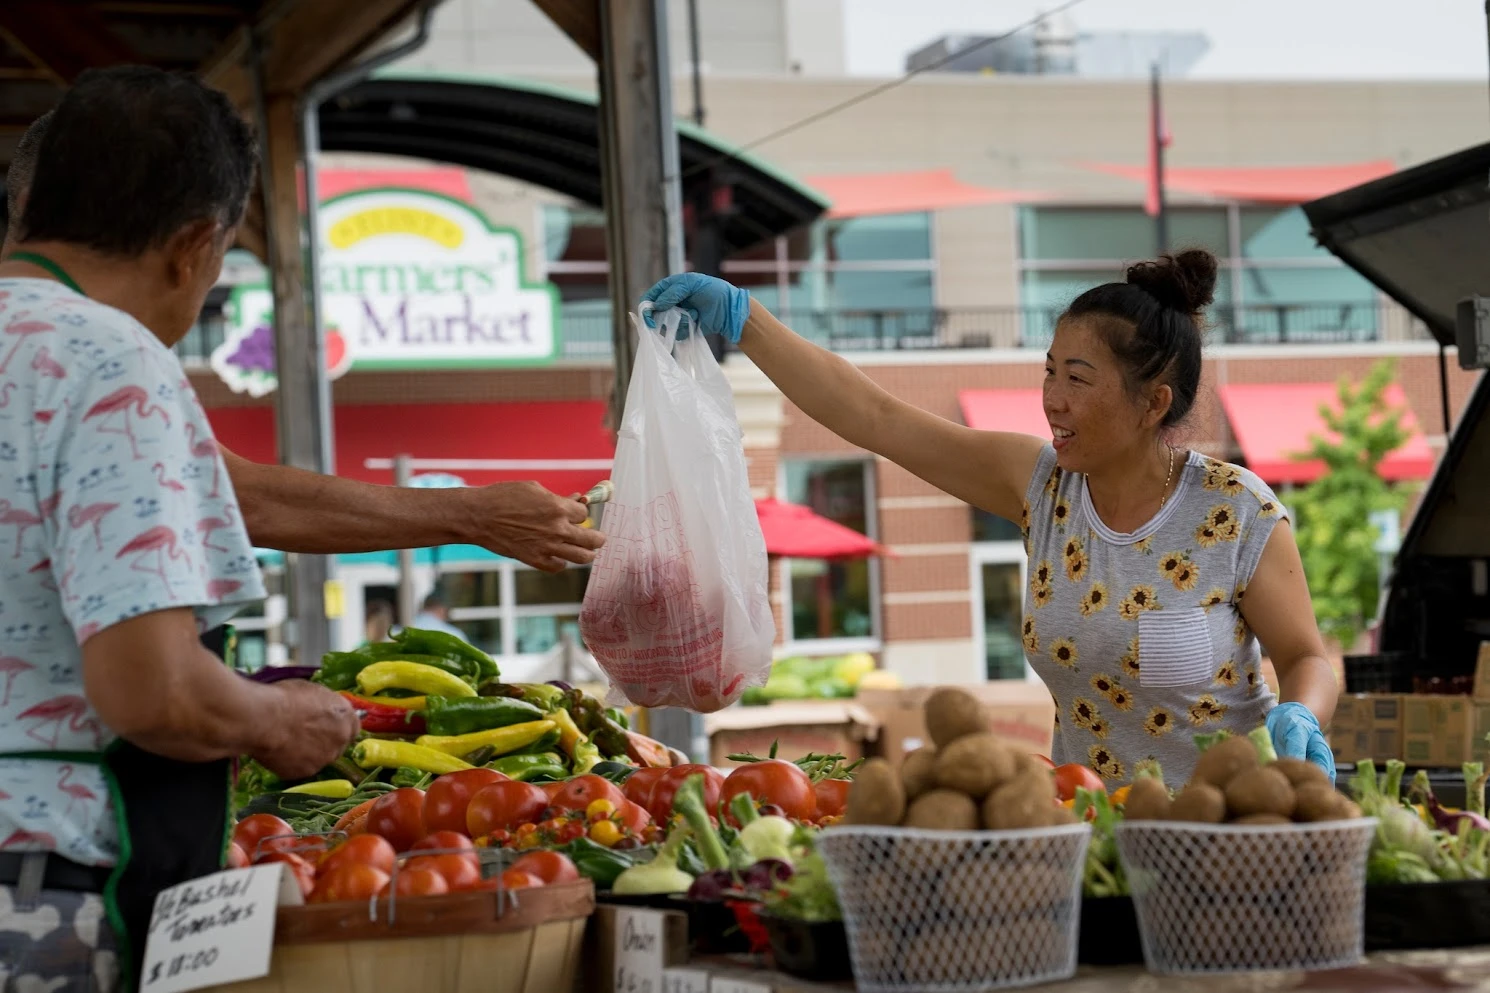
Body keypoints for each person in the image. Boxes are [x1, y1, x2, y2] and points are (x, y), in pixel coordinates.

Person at [643, 253, 1339, 786]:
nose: (1051, 400)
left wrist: (1302, 710)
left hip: (1232, 827)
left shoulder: (1235, 510)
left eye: (1077, 378)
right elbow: (877, 417)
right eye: (1048, 372)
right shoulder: (1043, 488)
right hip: (1090, 831)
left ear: (1152, 403)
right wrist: (748, 322)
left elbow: (1307, 655)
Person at [0, 67, 360, 990]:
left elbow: (234, 492)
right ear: (195, 245)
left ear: (28, 202)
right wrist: (280, 718)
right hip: (39, 888)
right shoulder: (113, 360)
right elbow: (151, 688)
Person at [2, 111, 603, 575]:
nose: (193, 282)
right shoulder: (92, 352)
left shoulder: (55, 341)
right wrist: (472, 514)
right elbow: (232, 499)